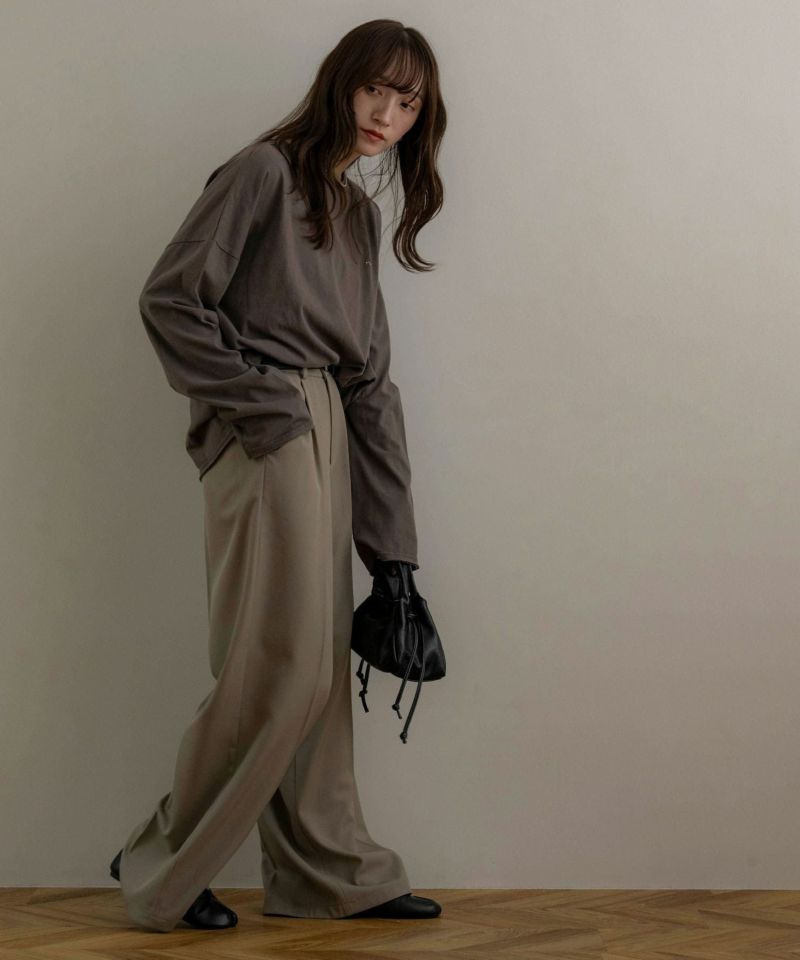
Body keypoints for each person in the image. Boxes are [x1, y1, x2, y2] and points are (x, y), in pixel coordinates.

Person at [110, 18, 447, 933]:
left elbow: (371, 382)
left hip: (325, 420)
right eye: (374, 89)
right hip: (268, 427)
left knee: (318, 667)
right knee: (280, 662)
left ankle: (328, 871)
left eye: (408, 102)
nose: (387, 115)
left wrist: (395, 556)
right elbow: (171, 300)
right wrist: (267, 410)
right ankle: (163, 856)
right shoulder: (261, 174)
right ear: (340, 82)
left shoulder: (358, 214)